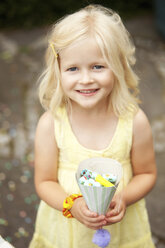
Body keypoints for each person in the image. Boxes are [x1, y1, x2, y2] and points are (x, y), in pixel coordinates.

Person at [29, 4, 157, 248]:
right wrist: (73, 205)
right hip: (66, 235)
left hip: (123, 233)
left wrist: (124, 197)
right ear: (58, 71)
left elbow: (147, 174)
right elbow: (44, 182)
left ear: (117, 66)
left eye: (98, 66)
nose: (86, 79)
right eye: (73, 68)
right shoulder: (51, 124)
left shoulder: (134, 121)